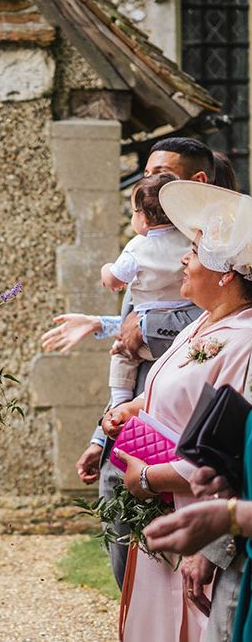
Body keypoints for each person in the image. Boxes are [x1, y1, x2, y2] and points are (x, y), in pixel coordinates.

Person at [101, 180, 252, 640]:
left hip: (199, 521)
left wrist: (145, 479)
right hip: (169, 515)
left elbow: (227, 451)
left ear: (225, 272)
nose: (184, 258)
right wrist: (134, 409)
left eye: (196, 250)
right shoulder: (204, 322)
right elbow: (176, 387)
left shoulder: (245, 340)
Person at [100, 173, 193, 407]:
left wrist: (106, 268)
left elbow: (113, 280)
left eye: (134, 211)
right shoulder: (189, 241)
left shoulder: (138, 248)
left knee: (121, 353)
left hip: (144, 338)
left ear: (144, 219)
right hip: (183, 335)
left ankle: (120, 404)